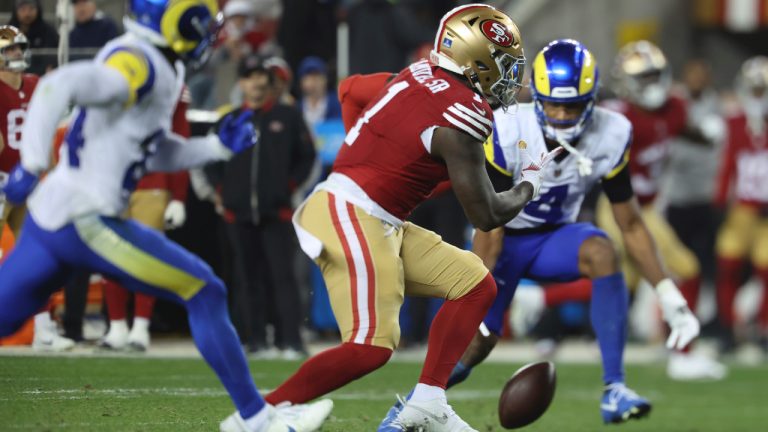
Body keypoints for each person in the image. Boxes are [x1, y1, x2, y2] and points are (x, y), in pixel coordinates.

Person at [0, 1, 332, 431]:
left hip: (54, 217)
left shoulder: (157, 62)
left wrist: (214, 149)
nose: (208, 30)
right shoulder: (139, 62)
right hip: (86, 219)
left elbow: (152, 148)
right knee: (205, 289)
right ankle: (255, 418)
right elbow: (56, 86)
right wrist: (29, 163)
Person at [264, 5, 557, 432]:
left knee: (475, 285)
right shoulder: (465, 114)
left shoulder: (417, 73)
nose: (510, 78)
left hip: (380, 215)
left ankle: (428, 400)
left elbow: (350, 90)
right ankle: (263, 413)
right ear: (474, 61)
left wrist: (363, 149)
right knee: (372, 347)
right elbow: (487, 214)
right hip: (353, 210)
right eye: (503, 65)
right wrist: (531, 181)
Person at [388, 38, 700, 426]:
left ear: (591, 99)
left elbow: (631, 221)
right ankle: (407, 411)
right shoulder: (507, 127)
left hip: (555, 238)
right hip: (502, 237)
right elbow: (490, 220)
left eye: (571, 105)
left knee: (603, 251)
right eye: (553, 102)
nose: (561, 114)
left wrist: (667, 291)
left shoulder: (613, 131)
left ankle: (615, 389)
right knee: (478, 340)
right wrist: (477, 286)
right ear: (536, 95)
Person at [599, 40, 726, 380]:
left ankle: (538, 296)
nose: (650, 84)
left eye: (654, 75)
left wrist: (708, 136)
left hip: (647, 209)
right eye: (641, 78)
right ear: (626, 82)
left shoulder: (674, 109)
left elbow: (681, 129)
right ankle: (683, 355)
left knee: (615, 282)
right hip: (618, 206)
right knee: (686, 268)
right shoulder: (616, 116)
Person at [207, 54, 316, 359]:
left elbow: (306, 157)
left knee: (283, 277)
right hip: (238, 213)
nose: (256, 82)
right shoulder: (228, 120)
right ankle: (255, 340)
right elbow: (209, 160)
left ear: (268, 83)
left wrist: (289, 188)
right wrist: (221, 191)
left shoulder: (288, 116)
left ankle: (291, 340)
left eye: (261, 76)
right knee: (247, 278)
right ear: (241, 82)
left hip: (277, 211)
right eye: (249, 76)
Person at [0, 24, 75, 352]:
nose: (17, 55)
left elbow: (47, 132)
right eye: (10, 50)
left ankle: (44, 330)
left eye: (19, 48)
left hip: (28, 180)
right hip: (2, 179)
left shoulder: (35, 85)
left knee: (38, 257)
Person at [100, 88, 192, 352]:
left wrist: (179, 195)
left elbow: (180, 139)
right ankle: (116, 327)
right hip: (113, 181)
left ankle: (140, 327)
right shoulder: (116, 73)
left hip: (152, 182)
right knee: (110, 256)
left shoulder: (170, 81)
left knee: (146, 258)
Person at [715, 56, 768, 355]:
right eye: (755, 89)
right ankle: (727, 329)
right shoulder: (734, 122)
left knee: (766, 269)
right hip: (742, 209)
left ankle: (763, 329)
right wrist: (720, 202)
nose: (757, 96)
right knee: (727, 266)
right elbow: (726, 166)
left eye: (762, 90)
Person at [7, 0, 59, 75]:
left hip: (41, 79)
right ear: (15, 11)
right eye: (23, 9)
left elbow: (53, 59)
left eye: (31, 9)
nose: (27, 14)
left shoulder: (48, 32)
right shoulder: (8, 32)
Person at [297, 56, 341, 131]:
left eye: (317, 76)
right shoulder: (297, 107)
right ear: (301, 82)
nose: (314, 81)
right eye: (309, 76)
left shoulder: (338, 104)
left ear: (325, 79)